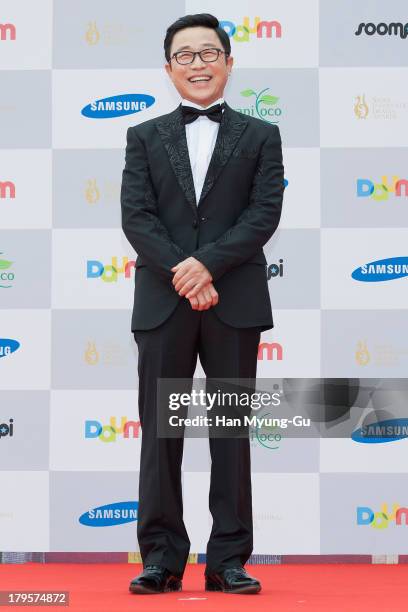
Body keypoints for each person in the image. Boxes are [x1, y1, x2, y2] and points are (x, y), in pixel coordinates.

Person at [121, 13, 284, 595]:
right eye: (185, 55)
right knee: (161, 435)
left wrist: (208, 266)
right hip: (163, 303)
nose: (198, 63)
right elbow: (136, 217)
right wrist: (185, 273)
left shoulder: (262, 135)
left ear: (229, 62)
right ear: (168, 68)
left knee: (231, 430)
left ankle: (228, 560)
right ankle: (161, 559)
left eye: (208, 53)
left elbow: (264, 214)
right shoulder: (142, 136)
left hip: (233, 299)